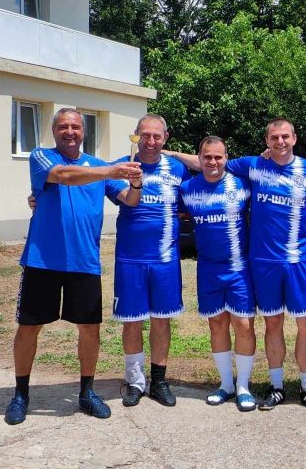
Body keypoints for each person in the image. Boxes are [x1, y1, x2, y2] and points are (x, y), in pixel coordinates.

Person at [169, 118, 306, 412]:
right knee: (271, 322)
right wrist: (169, 153)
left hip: (299, 259)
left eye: (285, 137)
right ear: (266, 141)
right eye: (274, 138)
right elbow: (208, 163)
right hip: (262, 262)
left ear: (294, 138)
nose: (280, 142)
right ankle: (274, 386)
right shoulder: (252, 166)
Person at [5, 108, 142, 425]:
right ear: (54, 131)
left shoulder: (98, 166)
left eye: (76, 127)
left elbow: (129, 200)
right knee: (29, 327)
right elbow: (64, 176)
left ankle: (86, 392)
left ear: (84, 131)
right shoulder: (41, 157)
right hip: (42, 260)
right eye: (63, 126)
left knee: (90, 329)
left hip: (85, 261)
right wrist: (111, 171)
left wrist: (135, 184)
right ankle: (21, 394)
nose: (70, 132)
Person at [111, 114, 190, 407]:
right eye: (145, 135)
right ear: (135, 135)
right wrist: (39, 195)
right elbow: (125, 199)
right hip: (130, 259)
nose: (151, 141)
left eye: (157, 136)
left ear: (165, 138)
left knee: (161, 320)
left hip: (165, 259)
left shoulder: (178, 169)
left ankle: (158, 381)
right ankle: (134, 381)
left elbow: (209, 170)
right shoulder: (122, 167)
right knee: (132, 322)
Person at [178, 136, 258, 412]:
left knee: (244, 325)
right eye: (207, 157)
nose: (213, 162)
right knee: (216, 324)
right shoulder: (187, 189)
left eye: (218, 157)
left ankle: (244, 386)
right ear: (199, 158)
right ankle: (226, 385)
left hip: (239, 268)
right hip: (208, 269)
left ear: (226, 158)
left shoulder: (242, 184)